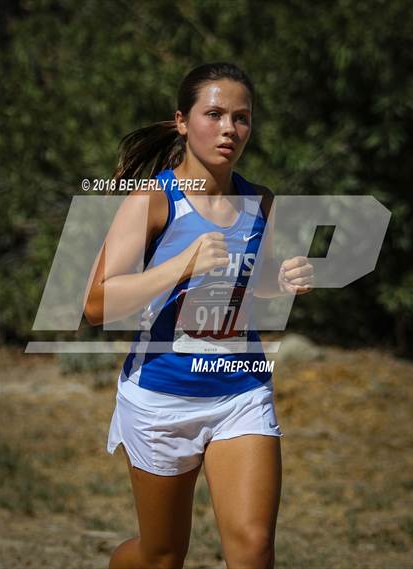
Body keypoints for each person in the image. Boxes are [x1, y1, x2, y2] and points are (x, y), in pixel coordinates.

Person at [84, 62, 313, 569]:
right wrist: (180, 265)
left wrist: (283, 280)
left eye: (242, 117)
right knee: (161, 556)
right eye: (214, 114)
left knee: (254, 548)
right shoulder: (152, 201)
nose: (230, 128)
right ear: (183, 122)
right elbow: (97, 305)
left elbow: (251, 286)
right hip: (160, 399)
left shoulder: (260, 200)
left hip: (240, 389)